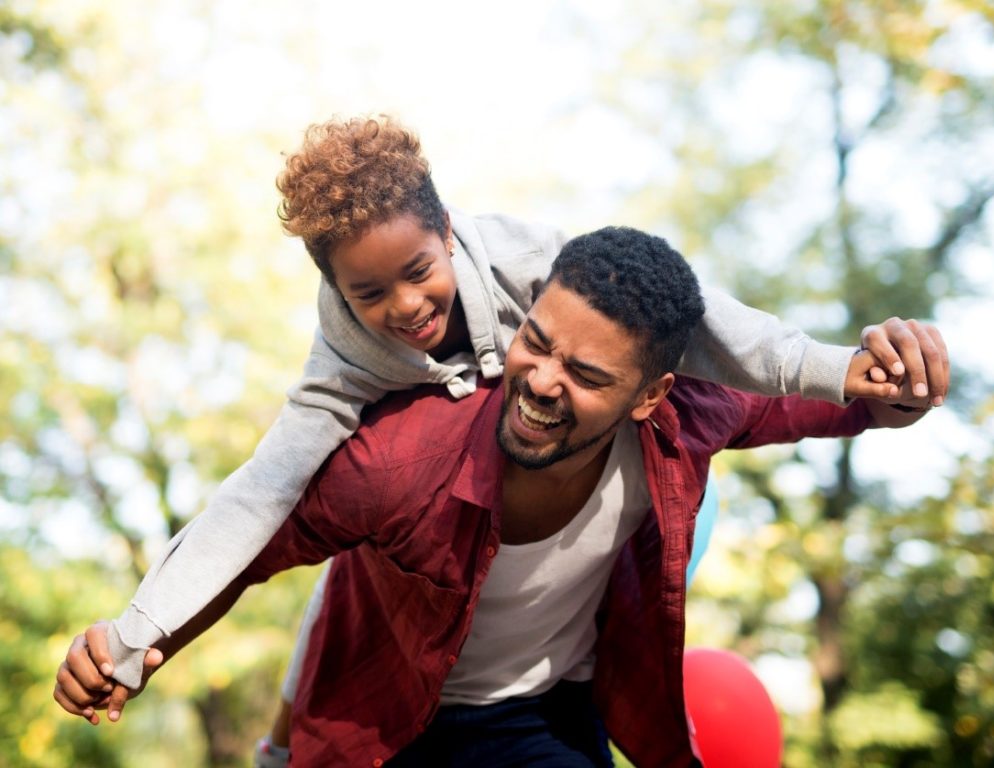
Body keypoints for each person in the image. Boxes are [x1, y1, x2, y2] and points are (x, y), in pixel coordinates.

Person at [54, 226, 946, 767]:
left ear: (648, 396)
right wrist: (137, 640)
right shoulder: (399, 459)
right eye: (538, 342)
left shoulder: (690, 415)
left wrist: (902, 383)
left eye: (586, 374)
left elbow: (844, 403)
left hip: (536, 720)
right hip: (388, 722)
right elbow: (255, 537)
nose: (542, 381)